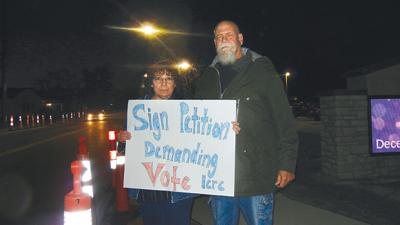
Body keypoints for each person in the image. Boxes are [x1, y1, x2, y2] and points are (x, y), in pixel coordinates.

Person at [194, 20, 298, 225]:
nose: (224, 40)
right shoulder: (207, 77)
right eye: (219, 36)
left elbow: (283, 119)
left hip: (255, 176)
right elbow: (196, 120)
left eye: (229, 35)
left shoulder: (262, 71)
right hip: (218, 177)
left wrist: (287, 164)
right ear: (214, 42)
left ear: (240, 39)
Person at [118, 61, 197, 225]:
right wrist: (122, 139)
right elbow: (126, 147)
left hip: (178, 189)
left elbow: (206, 139)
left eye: (168, 79)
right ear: (151, 83)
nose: (163, 83)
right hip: (148, 187)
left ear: (175, 84)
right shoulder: (137, 110)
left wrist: (227, 126)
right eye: (158, 78)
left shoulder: (188, 110)